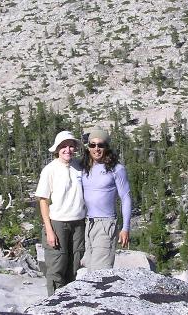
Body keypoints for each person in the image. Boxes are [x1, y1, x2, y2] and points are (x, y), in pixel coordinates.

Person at [35, 130, 86, 295]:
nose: (68, 149)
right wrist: (49, 230)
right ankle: (55, 304)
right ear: (57, 149)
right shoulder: (50, 170)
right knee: (56, 267)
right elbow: (43, 200)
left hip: (78, 223)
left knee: (74, 266)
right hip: (57, 223)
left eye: (71, 146)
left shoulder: (79, 166)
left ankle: (69, 303)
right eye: (63, 146)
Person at [81, 126, 132, 271]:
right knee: (89, 269)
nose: (96, 149)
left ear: (107, 147)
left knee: (100, 271)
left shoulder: (116, 169)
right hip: (88, 224)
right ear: (88, 147)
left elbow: (126, 197)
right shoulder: (84, 168)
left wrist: (125, 228)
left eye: (101, 145)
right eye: (92, 145)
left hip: (106, 225)